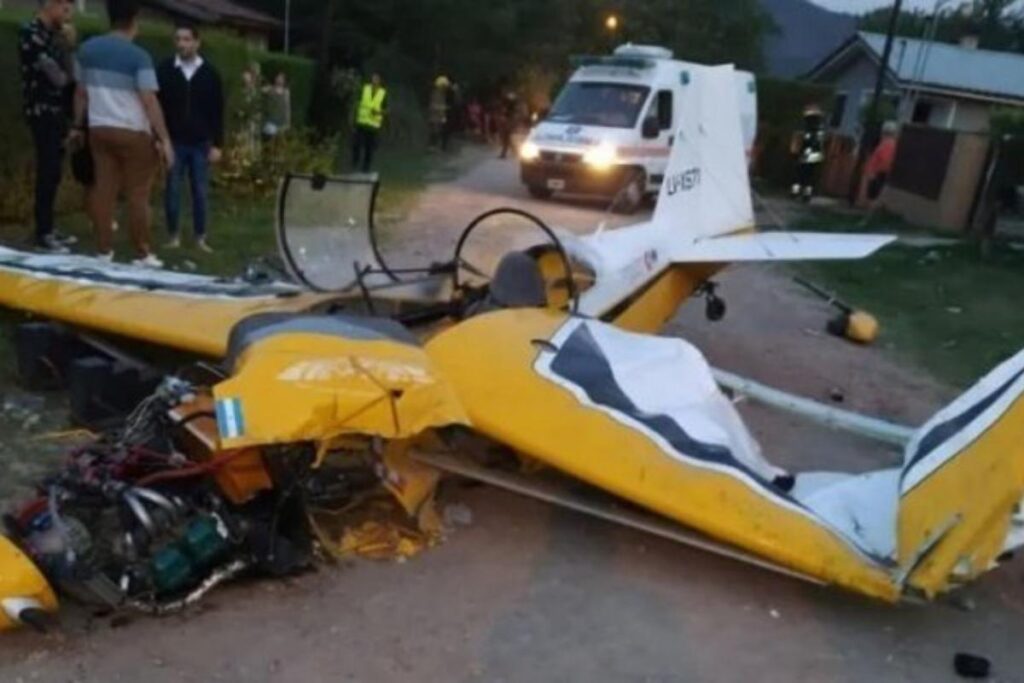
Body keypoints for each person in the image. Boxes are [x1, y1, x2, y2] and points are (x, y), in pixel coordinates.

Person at [71, 0, 173, 267]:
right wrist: (164, 138)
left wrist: (76, 125)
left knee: (103, 190)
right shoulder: (139, 57)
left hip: (99, 128)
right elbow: (149, 100)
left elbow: (80, 93)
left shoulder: (86, 50)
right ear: (134, 21)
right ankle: (142, 252)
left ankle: (104, 251)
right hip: (133, 132)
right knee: (138, 195)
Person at [157, 23, 224, 253]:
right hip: (174, 141)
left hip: (200, 143)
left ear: (197, 42)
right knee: (172, 191)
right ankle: (173, 235)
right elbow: (158, 106)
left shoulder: (210, 74)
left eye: (186, 39)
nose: (182, 44)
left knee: (200, 191)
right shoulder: (165, 70)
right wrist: (159, 138)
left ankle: (200, 237)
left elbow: (217, 111)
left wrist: (217, 144)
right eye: (178, 39)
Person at [18, 0, 77, 254]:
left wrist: (68, 47)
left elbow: (70, 75)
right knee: (47, 167)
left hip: (58, 111)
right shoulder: (31, 34)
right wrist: (64, 50)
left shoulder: (53, 35)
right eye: (65, 9)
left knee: (54, 171)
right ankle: (42, 231)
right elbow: (59, 77)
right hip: (41, 109)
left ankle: (48, 227)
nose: (67, 16)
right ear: (51, 5)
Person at [351, 73, 387, 173]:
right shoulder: (365, 89)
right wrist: (353, 118)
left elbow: (386, 109)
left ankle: (365, 168)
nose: (374, 80)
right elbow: (357, 103)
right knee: (356, 144)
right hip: (361, 122)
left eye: (377, 79)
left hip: (373, 125)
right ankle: (354, 163)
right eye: (373, 78)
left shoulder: (383, 93)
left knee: (369, 148)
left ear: (380, 81)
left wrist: (379, 112)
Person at [790, 104, 826, 202]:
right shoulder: (819, 129)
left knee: (799, 175)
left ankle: (796, 193)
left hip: (807, 154)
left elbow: (807, 141)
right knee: (809, 177)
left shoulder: (809, 129)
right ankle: (805, 195)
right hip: (815, 155)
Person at [864, 121, 899, 205]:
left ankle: (871, 215)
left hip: (878, 174)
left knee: (874, 198)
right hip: (878, 174)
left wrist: (872, 173)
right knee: (873, 197)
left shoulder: (887, 145)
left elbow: (885, 161)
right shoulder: (889, 144)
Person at [262, 72, 292, 139]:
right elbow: (260, 91)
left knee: (278, 142)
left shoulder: (286, 92)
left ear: (284, 81)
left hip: (281, 122)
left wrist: (288, 122)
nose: (279, 80)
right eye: (278, 77)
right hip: (270, 120)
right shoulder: (270, 89)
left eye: (281, 78)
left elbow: (287, 108)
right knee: (269, 139)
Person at [498, 90, 519, 159]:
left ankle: (505, 153)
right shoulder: (509, 104)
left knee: (506, 138)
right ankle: (514, 151)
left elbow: (507, 113)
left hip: (508, 121)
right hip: (508, 121)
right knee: (507, 138)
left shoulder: (510, 105)